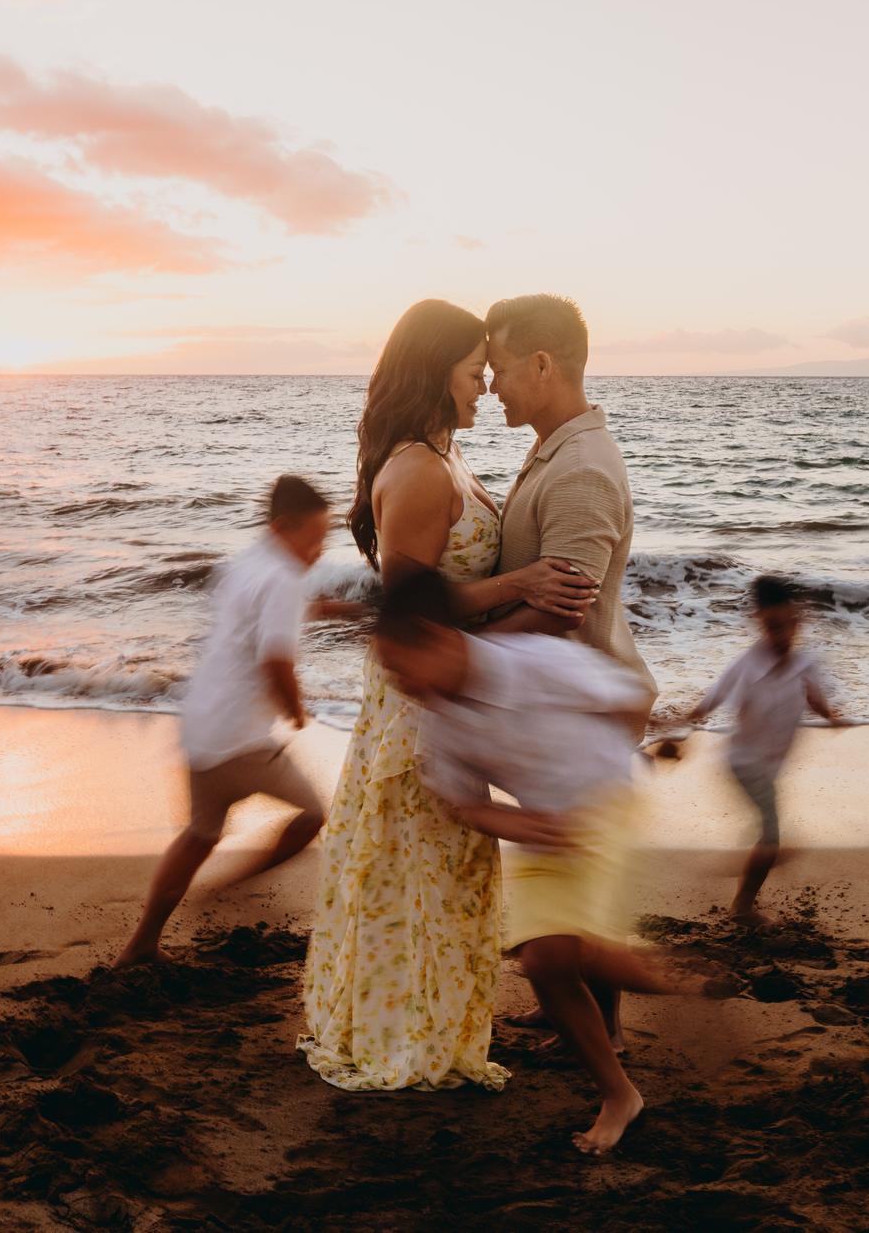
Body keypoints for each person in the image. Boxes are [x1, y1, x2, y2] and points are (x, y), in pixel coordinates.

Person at [299, 300, 599, 1092]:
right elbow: (412, 605)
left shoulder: (444, 457)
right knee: (421, 873)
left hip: (444, 693)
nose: (483, 387)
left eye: (487, 371)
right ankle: (409, 1037)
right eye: (473, 372)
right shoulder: (421, 469)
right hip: (417, 702)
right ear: (437, 373)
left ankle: (434, 1026)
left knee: (449, 874)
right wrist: (518, 582)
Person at [374, 568, 716, 1156]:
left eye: (401, 666)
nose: (399, 684)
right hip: (543, 825)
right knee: (549, 963)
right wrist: (520, 823)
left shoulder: (534, 662)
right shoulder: (439, 720)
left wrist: (656, 738)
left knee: (554, 952)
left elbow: (627, 695)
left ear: (436, 637)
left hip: (606, 804)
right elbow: (461, 803)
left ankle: (651, 979)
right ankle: (621, 1089)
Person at [483, 293, 656, 1044]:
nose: (491, 387)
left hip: (579, 707)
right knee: (560, 866)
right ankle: (574, 1012)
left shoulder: (582, 467)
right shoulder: (559, 446)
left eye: (498, 368)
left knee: (573, 877)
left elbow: (564, 608)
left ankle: (604, 1031)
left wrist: (465, 658)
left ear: (542, 363)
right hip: (558, 705)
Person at [112, 475, 335, 968]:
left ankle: (142, 944)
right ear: (282, 527)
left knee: (199, 835)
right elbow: (276, 661)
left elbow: (258, 620)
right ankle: (237, 888)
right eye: (315, 537)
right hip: (244, 739)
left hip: (204, 726)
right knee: (313, 816)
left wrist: (329, 609)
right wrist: (296, 713)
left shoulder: (249, 563)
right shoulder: (284, 577)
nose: (320, 549)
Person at [682, 574, 848, 925]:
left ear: (798, 622)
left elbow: (816, 699)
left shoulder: (806, 664)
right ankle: (741, 906)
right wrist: (674, 725)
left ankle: (757, 862)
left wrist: (832, 715)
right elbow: (709, 702)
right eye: (773, 627)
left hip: (769, 765)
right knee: (770, 836)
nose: (782, 635)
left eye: (788, 625)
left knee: (769, 836)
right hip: (743, 763)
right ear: (760, 623)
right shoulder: (746, 665)